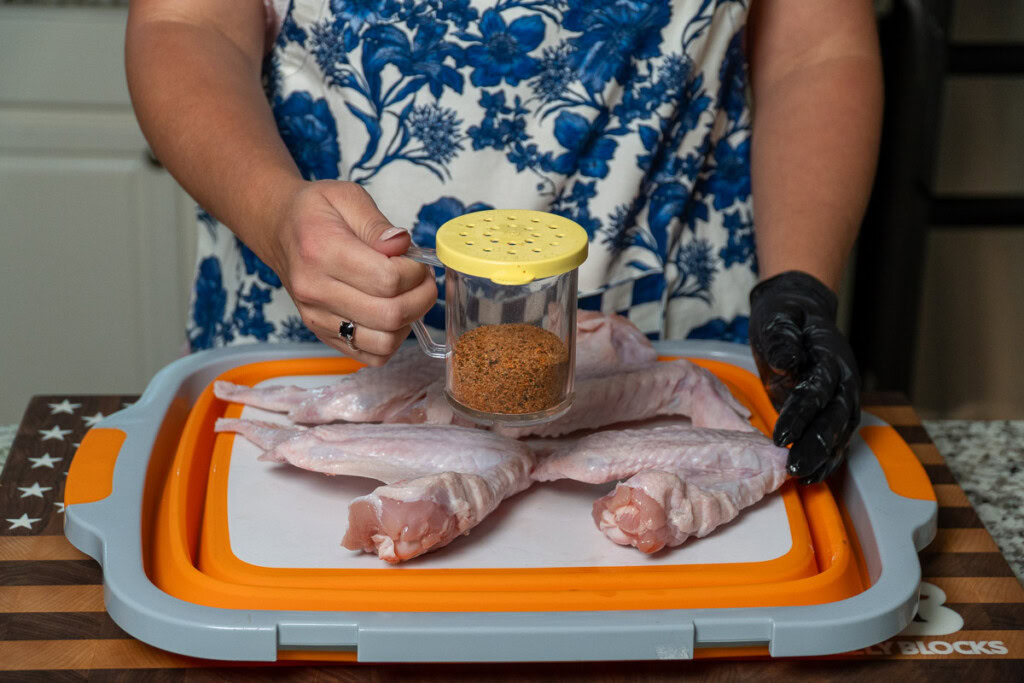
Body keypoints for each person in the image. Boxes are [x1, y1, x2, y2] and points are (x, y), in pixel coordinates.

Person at [126, 0, 882, 484]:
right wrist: (276, 210)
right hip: (322, 316)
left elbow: (814, 47)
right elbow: (185, 24)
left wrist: (800, 281)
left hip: (670, 326)